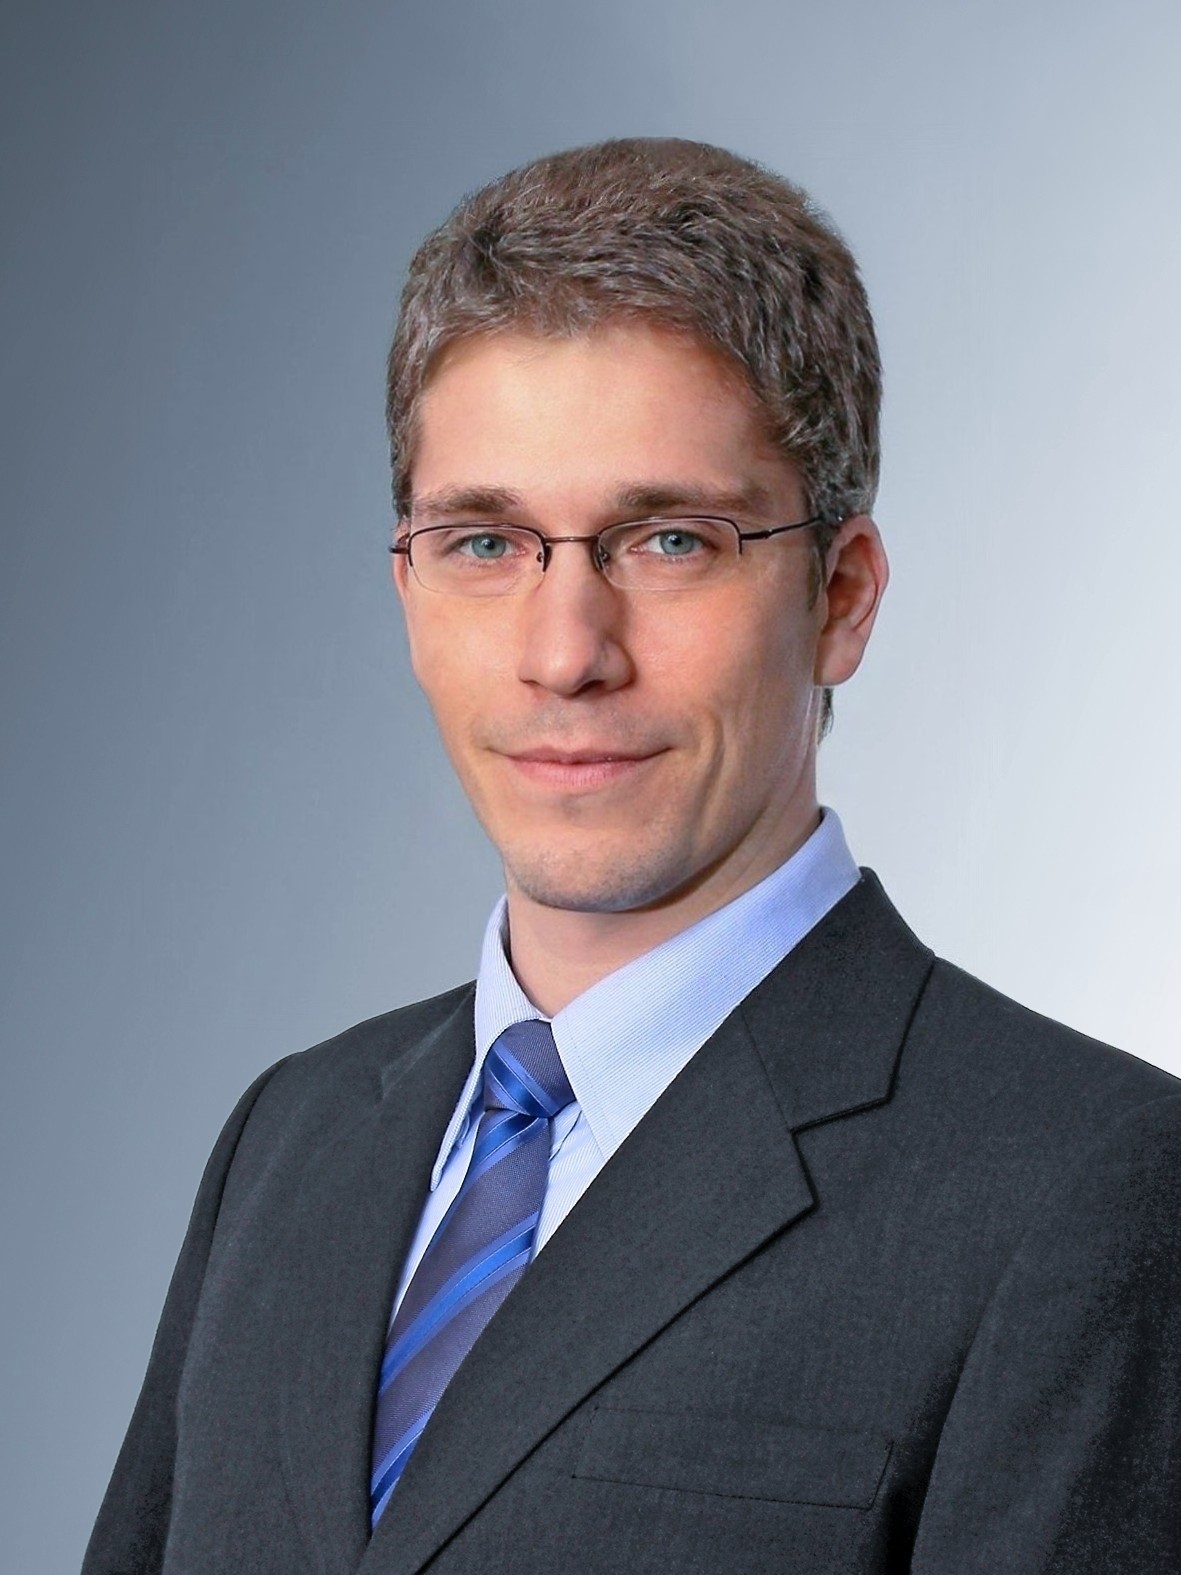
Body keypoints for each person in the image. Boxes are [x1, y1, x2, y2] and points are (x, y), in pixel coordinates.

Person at [83, 138, 1181, 1575]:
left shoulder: (1084, 1188)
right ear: (407, 587)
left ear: (840, 598)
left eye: (668, 540)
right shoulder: (291, 1140)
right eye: (485, 543)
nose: (564, 654)